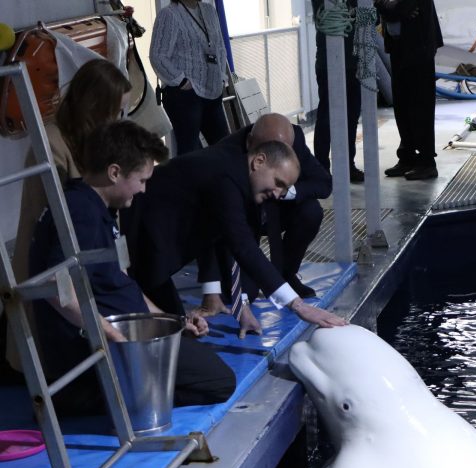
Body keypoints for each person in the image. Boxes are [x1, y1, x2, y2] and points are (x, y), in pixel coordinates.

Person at [28, 121, 235, 414]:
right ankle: (88, 397)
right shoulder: (81, 213)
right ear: (115, 173)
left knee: (206, 366)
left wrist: (171, 322)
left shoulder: (95, 207)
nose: (143, 189)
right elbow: (55, 288)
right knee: (219, 382)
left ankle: (119, 388)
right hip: (104, 346)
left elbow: (120, 281)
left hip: (129, 329)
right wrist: (119, 341)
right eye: (141, 180)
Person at [123, 138, 347, 338]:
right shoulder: (226, 177)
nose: (278, 194)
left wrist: (241, 308)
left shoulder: (240, 178)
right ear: (259, 161)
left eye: (285, 188)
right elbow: (244, 247)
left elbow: (227, 241)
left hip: (160, 243)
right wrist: (298, 306)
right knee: (171, 332)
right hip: (143, 239)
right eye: (278, 183)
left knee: (180, 330)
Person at [7, 58, 132, 374]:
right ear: (96, 107)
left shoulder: (96, 140)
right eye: (117, 112)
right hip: (54, 254)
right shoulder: (52, 144)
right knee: (47, 345)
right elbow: (56, 217)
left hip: (88, 251)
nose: (121, 120)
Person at [196, 113, 331, 318]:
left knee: (311, 211)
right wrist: (211, 290)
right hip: (239, 221)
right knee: (245, 293)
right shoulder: (224, 159)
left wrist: (283, 189)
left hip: (277, 213)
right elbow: (211, 226)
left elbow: (324, 183)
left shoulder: (293, 138)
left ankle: (287, 273)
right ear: (253, 148)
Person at [149, 0, 229, 155]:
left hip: (212, 91)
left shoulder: (209, 10)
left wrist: (221, 76)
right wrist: (181, 81)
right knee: (190, 152)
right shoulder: (169, 14)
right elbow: (158, 55)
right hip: (185, 95)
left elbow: (219, 46)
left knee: (224, 147)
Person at [376, 0, 443, 181]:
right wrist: (390, 8)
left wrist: (383, 5)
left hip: (418, 47)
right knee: (402, 104)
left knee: (420, 105)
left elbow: (400, 8)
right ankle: (407, 157)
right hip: (399, 46)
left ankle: (427, 162)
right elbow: (397, 10)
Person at [311, 0, 365, 183]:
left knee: (351, 116)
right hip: (329, 62)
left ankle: (347, 165)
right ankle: (321, 168)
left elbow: (371, 17)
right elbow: (326, 17)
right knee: (327, 117)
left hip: (353, 62)